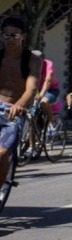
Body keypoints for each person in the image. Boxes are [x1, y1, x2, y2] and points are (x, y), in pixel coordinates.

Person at [0, 17, 41, 190]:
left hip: (13, 112)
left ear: (23, 36)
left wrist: (19, 105)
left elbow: (31, 89)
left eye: (14, 35)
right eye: (6, 35)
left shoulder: (31, 59)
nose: (10, 39)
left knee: (1, 154)